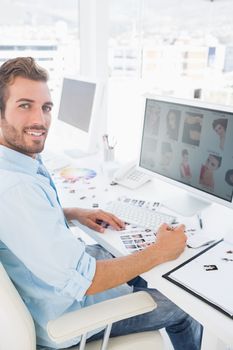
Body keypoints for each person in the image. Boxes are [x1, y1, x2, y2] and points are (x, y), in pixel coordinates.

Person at [0, 57, 203, 350]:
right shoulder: (16, 188)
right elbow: (85, 281)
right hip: (65, 318)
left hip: (48, 290)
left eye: (45, 107)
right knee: (186, 306)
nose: (40, 120)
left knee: (132, 255)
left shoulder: (16, 164)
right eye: (24, 105)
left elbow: (24, 225)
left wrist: (72, 213)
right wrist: (159, 251)